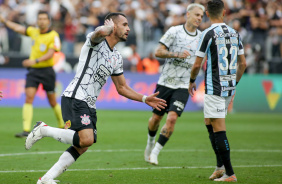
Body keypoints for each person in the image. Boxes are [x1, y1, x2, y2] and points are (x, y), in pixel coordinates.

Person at [25, 13, 167, 184]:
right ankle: (43, 129)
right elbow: (97, 34)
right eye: (124, 24)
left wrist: (145, 98)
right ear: (113, 27)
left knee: (83, 145)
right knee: (86, 139)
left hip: (90, 103)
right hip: (76, 96)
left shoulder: (116, 57)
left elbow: (122, 87)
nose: (128, 28)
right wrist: (105, 29)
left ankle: (46, 179)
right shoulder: (95, 43)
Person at [188, 0, 246, 182]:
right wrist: (234, 83)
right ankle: (220, 168)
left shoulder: (207, 33)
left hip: (214, 88)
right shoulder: (235, 33)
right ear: (224, 12)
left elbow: (197, 63)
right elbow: (243, 63)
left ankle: (230, 173)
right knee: (209, 121)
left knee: (219, 129)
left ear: (206, 13)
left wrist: (191, 81)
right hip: (229, 87)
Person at [144, 3, 205, 165]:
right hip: (165, 82)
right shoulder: (174, 31)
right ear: (188, 14)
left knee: (171, 119)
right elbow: (158, 52)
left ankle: (155, 152)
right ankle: (150, 142)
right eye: (197, 14)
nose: (199, 18)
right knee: (156, 119)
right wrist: (177, 54)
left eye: (201, 16)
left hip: (184, 85)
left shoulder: (202, 38)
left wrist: (193, 80)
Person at [0, 11, 65, 137]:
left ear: (48, 21)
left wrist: (34, 60)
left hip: (47, 71)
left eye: (44, 18)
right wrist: (5, 21)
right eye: (39, 18)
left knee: (52, 101)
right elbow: (18, 28)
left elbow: (51, 53)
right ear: (37, 21)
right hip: (34, 71)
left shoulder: (53, 35)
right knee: (28, 98)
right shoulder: (33, 32)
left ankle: (62, 125)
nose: (41, 21)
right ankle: (25, 130)